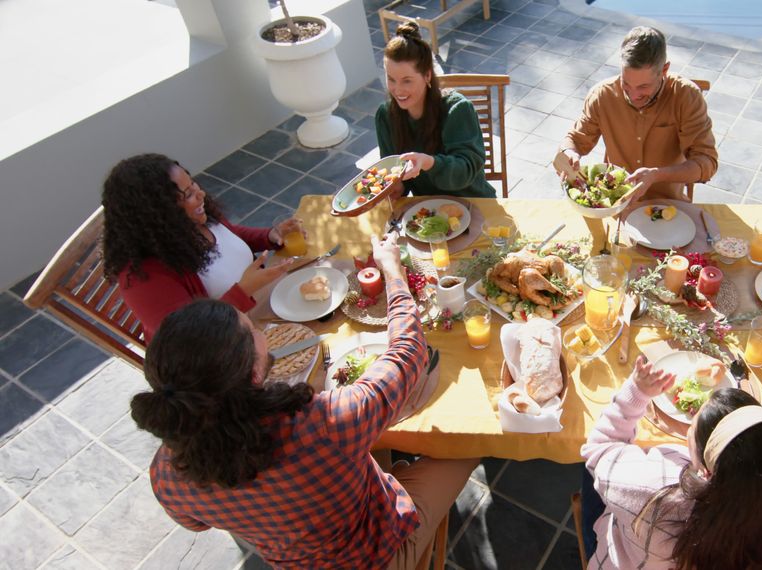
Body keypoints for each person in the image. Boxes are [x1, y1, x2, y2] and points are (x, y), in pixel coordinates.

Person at [130, 231, 480, 568]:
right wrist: (393, 272)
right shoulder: (323, 423)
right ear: (252, 374)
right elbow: (408, 354)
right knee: (473, 439)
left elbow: (195, 523)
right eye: (254, 331)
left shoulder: (166, 474)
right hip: (380, 554)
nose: (261, 332)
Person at [580, 353, 762, 570]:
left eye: (692, 429)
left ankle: (591, 541)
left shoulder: (651, 492)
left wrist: (635, 393)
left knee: (590, 481)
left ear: (704, 472)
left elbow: (599, 449)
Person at [101, 153, 298, 340]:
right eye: (187, 194)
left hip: (264, 307)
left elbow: (230, 236)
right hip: (228, 344)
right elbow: (189, 338)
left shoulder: (193, 219)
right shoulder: (143, 278)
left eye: (192, 183)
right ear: (157, 213)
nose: (201, 193)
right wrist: (243, 291)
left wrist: (269, 236)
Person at [559, 26, 718, 203]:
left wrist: (657, 175)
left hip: (667, 202)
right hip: (616, 202)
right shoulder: (602, 95)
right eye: (626, 83)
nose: (634, 96)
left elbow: (707, 163)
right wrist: (569, 152)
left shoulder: (687, 96)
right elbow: (575, 139)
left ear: (664, 70)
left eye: (644, 87)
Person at [374, 22, 496, 198]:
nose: (397, 90)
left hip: (474, 203)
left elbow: (467, 170)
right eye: (391, 79)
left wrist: (429, 163)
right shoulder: (386, 116)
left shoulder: (457, 109)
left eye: (407, 80)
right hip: (425, 214)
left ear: (427, 75)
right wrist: (397, 187)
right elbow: (395, 170)